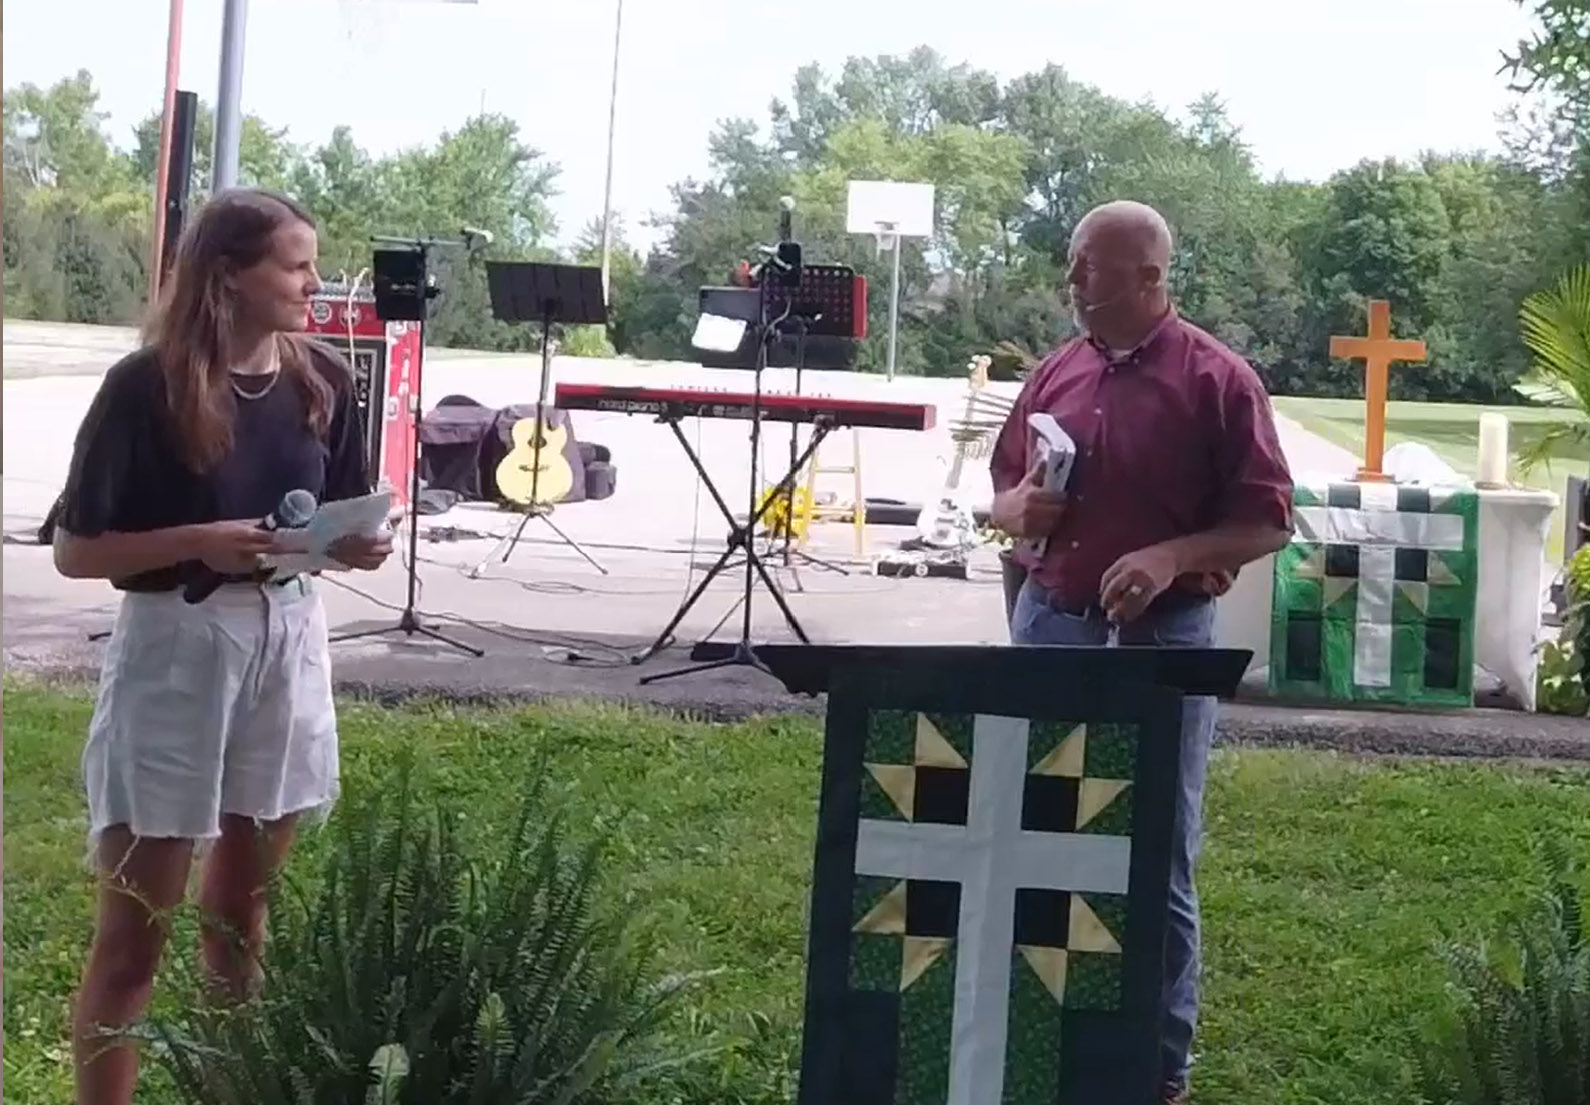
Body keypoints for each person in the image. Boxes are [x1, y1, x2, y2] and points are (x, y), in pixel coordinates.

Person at [53, 187, 395, 1105]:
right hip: (177, 648)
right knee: (135, 937)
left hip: (286, 638)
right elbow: (76, 549)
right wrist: (196, 541)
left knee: (240, 922)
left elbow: (340, 511)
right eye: (295, 265)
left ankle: (228, 1091)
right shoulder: (148, 385)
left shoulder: (325, 378)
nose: (315, 283)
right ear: (228, 274)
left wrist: (355, 542)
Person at [988, 199, 1294, 1104]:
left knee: (1155, 855)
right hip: (1051, 625)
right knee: (1037, 831)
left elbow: (1268, 521)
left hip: (1163, 643)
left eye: (1090, 265)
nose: (1072, 280)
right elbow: (1003, 489)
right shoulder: (1056, 371)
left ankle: (1160, 1068)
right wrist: (1014, 512)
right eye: (1073, 262)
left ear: (1151, 278)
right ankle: (1037, 1032)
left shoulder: (1218, 380)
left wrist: (1172, 556)